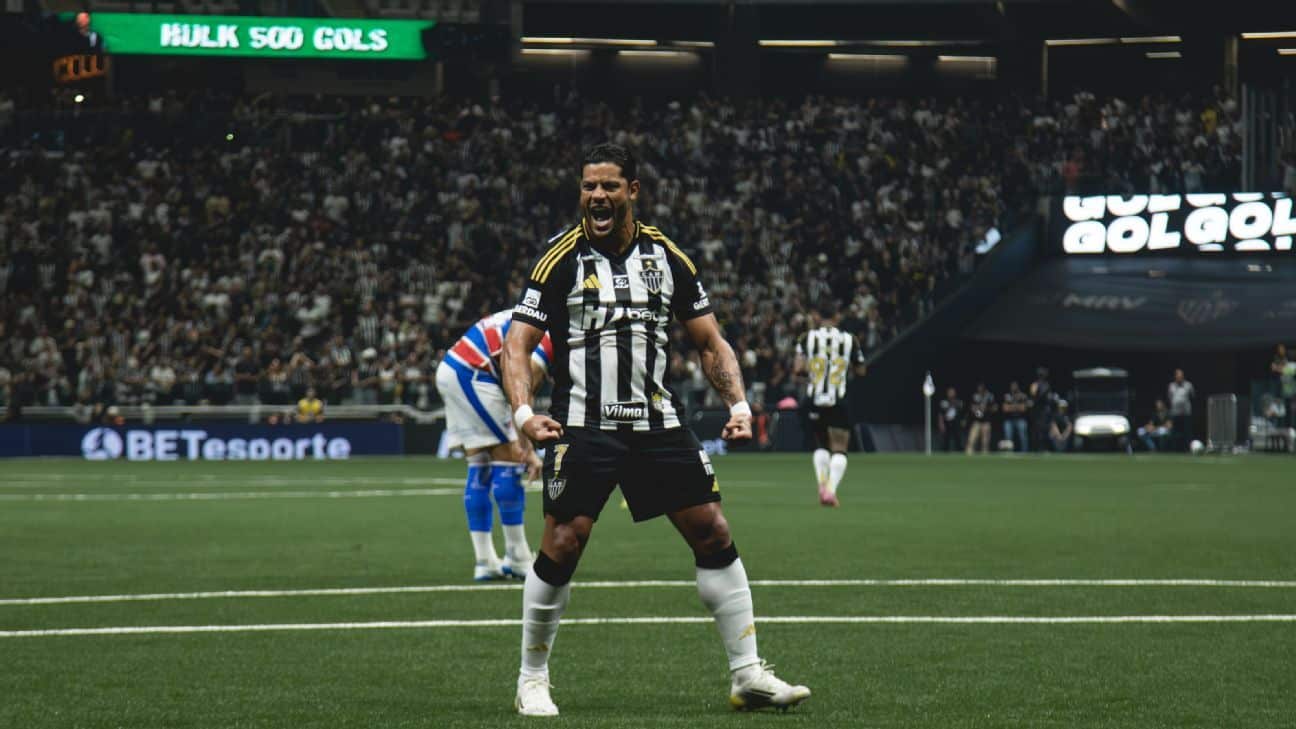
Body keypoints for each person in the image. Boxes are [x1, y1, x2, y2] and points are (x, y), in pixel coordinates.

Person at [501, 143, 810, 717]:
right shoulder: (558, 259)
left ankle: (748, 675)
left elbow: (710, 342)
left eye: (609, 186)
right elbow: (516, 346)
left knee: (712, 531)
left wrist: (739, 405)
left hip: (657, 424)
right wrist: (523, 416)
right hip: (584, 424)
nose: (597, 196)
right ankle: (531, 680)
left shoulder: (667, 257)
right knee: (564, 541)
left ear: (633, 191)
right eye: (589, 186)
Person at [435, 310, 552, 582]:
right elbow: (520, 391)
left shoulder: (534, 312)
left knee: (480, 464)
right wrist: (527, 449)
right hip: (473, 373)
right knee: (509, 458)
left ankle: (486, 560)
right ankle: (518, 557)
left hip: (455, 367)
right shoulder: (549, 335)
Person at [793, 301, 867, 507]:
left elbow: (798, 369)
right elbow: (861, 370)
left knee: (820, 444)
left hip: (814, 399)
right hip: (838, 399)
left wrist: (815, 371)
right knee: (840, 447)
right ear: (837, 317)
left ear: (818, 317)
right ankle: (830, 491)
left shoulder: (806, 338)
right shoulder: (849, 339)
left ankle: (821, 484)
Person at [1167, 368, 1195, 451]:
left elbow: (1192, 397)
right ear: (1175, 376)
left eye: (1181, 375)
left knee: (1187, 432)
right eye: (1178, 375)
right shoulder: (1171, 386)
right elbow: (1169, 398)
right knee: (1174, 432)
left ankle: (1188, 449)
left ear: (1183, 376)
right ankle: (1175, 449)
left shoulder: (1188, 385)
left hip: (1186, 413)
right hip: (1175, 413)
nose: (1179, 377)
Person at [965, 382, 996, 455]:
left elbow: (995, 408)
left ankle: (985, 455)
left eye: (981, 388)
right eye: (979, 388)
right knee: (972, 439)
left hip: (986, 421)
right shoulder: (975, 396)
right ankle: (968, 454)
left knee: (985, 442)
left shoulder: (990, 396)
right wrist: (978, 411)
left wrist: (987, 409)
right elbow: (972, 408)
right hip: (977, 421)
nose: (980, 389)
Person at [1000, 380, 1030, 452]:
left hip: (1020, 419)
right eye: (1012, 386)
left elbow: (1024, 408)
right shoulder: (1007, 396)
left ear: (1017, 386)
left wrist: (1011, 407)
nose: (1013, 387)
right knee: (1008, 437)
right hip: (1009, 420)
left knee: (1023, 437)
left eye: (1015, 385)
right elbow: (1005, 408)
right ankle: (1009, 453)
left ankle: (1025, 452)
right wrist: (1017, 407)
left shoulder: (1023, 396)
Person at [937, 386, 964, 452]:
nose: (951, 393)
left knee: (958, 438)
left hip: (956, 423)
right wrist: (941, 423)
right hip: (946, 423)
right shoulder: (944, 402)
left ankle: (959, 452)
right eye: (950, 392)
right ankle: (945, 452)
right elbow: (940, 413)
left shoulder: (958, 402)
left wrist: (962, 421)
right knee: (946, 439)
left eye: (952, 392)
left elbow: (962, 413)